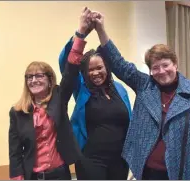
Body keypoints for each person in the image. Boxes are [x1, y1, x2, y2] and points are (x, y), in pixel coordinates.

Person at [89, 12, 190, 180]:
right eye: (155, 67)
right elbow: (118, 63)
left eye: (166, 65)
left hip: (188, 175)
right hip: (148, 174)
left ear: (175, 64)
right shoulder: (145, 86)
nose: (161, 71)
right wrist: (100, 30)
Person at [57, 7, 132, 180]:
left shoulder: (120, 89)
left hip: (120, 160)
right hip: (90, 160)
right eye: (90, 70)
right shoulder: (81, 88)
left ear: (107, 68)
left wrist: (101, 30)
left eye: (99, 68)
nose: (95, 73)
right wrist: (81, 33)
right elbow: (66, 63)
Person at [9, 61, 82, 180]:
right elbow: (14, 150)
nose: (33, 80)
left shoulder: (58, 98)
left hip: (60, 174)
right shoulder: (17, 112)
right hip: (34, 176)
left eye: (39, 75)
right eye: (29, 77)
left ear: (50, 80)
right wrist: (16, 176)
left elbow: (70, 74)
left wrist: (78, 42)